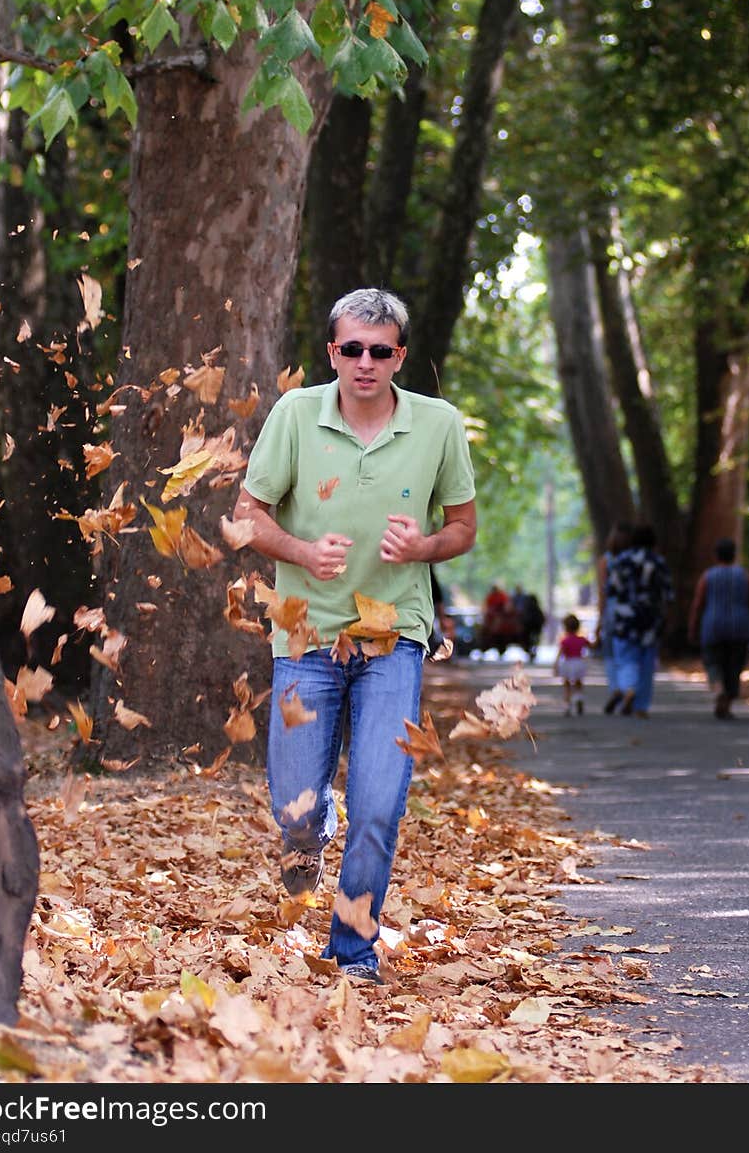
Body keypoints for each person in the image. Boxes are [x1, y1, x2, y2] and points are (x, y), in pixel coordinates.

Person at [232, 288, 477, 984]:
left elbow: (462, 526)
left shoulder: (438, 425)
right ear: (332, 351)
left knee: (380, 802)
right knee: (296, 811)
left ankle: (352, 951)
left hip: (392, 636)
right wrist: (304, 552)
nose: (365, 362)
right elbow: (247, 516)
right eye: (351, 349)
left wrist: (425, 546)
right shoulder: (295, 415)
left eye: (380, 350)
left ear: (399, 355)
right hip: (306, 637)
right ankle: (316, 825)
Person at [688, 537, 749, 720]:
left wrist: (692, 627)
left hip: (712, 626)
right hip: (740, 627)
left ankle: (718, 689)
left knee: (712, 663)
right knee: (734, 666)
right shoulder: (746, 577)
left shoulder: (708, 576)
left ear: (716, 555)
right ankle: (726, 703)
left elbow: (697, 604)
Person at [603, 521, 673, 718]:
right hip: (650, 618)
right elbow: (668, 594)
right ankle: (641, 705)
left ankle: (629, 689)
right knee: (647, 662)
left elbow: (611, 590)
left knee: (626, 659)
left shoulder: (620, 561)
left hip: (624, 618)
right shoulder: (658, 562)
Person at [596, 519, 633, 706]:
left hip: (612, 609)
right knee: (628, 650)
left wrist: (600, 619)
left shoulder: (606, 561)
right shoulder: (635, 560)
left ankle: (616, 688)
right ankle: (628, 687)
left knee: (610, 653)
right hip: (632, 610)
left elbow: (603, 591)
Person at [553, 613, 594, 715]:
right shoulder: (582, 639)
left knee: (567, 685)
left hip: (568, 663)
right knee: (578, 683)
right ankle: (579, 697)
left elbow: (560, 654)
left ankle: (567, 705)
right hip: (579, 662)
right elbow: (592, 646)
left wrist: (556, 665)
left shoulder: (565, 641)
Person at [513, 585, 545, 657]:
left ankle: (530, 649)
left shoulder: (528, 609)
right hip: (533, 630)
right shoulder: (536, 610)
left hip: (531, 630)